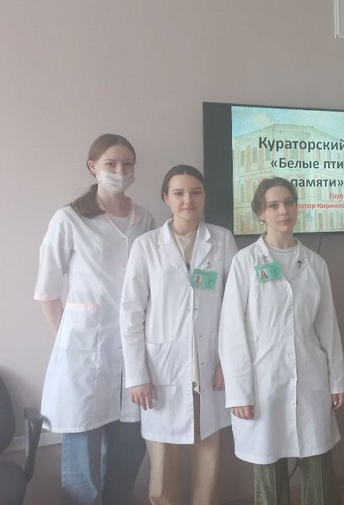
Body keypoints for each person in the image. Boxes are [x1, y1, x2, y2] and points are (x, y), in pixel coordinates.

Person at [35, 133, 155, 505]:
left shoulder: (145, 220)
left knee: (126, 460)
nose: (120, 171)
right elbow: (47, 292)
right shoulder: (68, 219)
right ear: (93, 167)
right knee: (82, 474)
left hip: (133, 355)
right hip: (81, 354)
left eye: (127, 164)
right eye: (111, 164)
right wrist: (67, 343)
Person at [219, 177, 344, 505]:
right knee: (269, 468)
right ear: (260, 213)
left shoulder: (315, 264)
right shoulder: (245, 262)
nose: (283, 211)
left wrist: (337, 380)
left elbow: (327, 327)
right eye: (273, 205)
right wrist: (239, 391)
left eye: (289, 202)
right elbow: (232, 332)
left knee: (318, 464)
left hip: (311, 377)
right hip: (263, 380)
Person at [120, 165, 237, 505]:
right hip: (162, 371)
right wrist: (137, 376)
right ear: (165, 198)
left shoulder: (222, 240)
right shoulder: (146, 246)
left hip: (209, 367)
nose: (188, 200)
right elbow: (131, 314)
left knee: (208, 464)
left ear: (204, 196)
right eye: (179, 193)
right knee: (162, 468)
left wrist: (228, 361)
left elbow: (235, 308)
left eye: (196, 192)